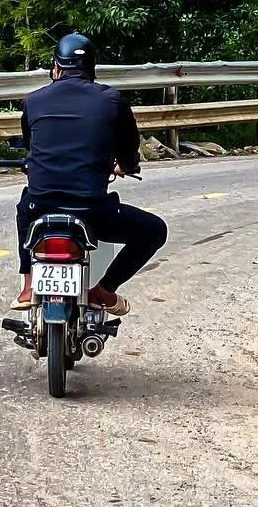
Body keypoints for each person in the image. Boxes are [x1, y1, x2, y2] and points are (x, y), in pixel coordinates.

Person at [13, 32, 167, 316]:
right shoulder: (112, 100)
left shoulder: (33, 100)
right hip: (92, 212)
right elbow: (129, 148)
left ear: (56, 67)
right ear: (92, 69)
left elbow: (30, 145)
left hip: (41, 207)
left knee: (25, 205)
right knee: (155, 230)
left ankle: (28, 284)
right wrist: (127, 166)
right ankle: (104, 291)